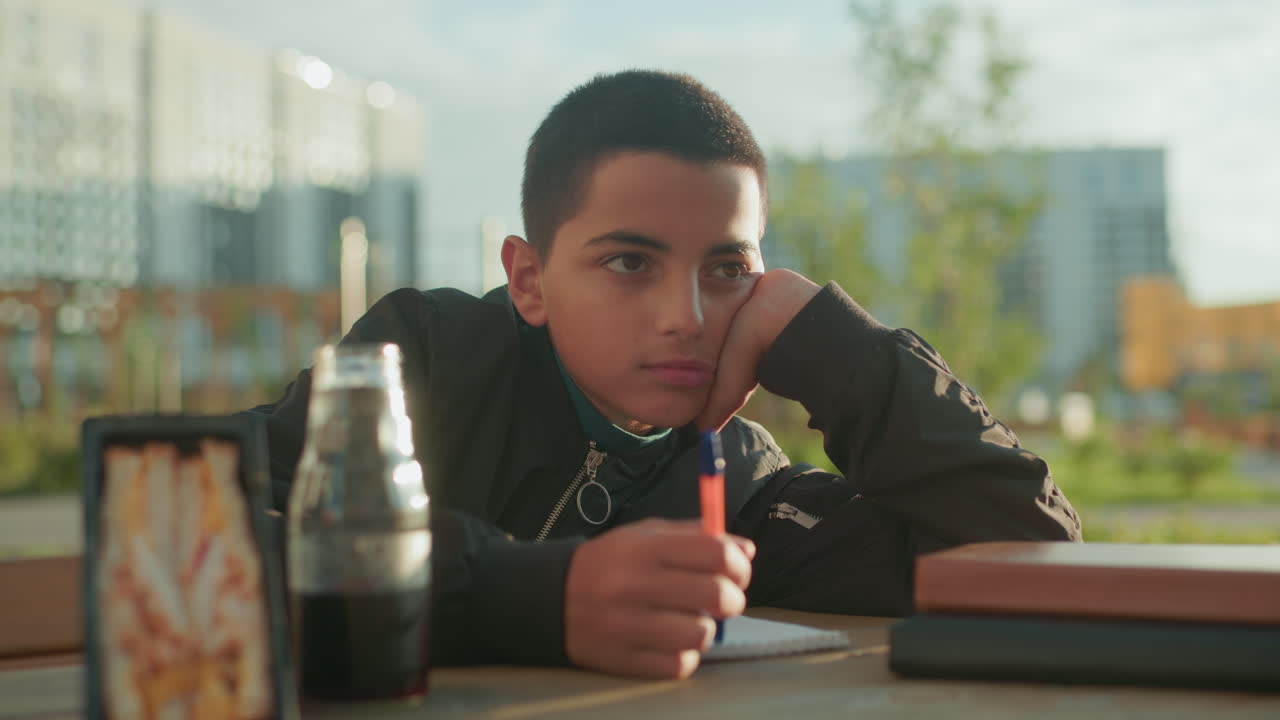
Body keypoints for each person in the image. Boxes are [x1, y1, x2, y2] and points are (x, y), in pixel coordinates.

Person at [250, 69, 1080, 680]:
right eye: (628, 262)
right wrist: (529, 596)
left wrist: (833, 344)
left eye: (727, 270)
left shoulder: (737, 482)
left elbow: (1031, 559)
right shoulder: (422, 359)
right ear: (529, 280)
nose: (685, 315)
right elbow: (180, 521)